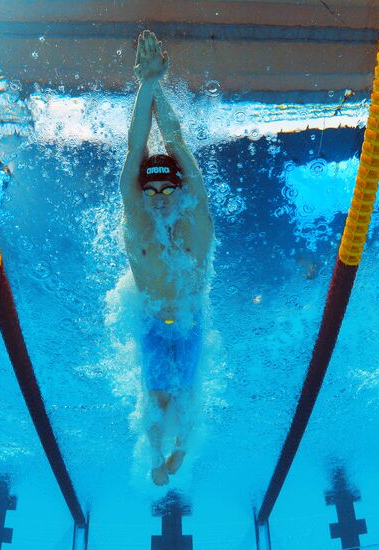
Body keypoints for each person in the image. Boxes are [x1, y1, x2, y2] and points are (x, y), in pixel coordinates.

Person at [119, 30, 214, 486]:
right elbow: (136, 151)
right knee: (158, 395)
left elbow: (176, 146)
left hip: (192, 321)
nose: (157, 198)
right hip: (155, 323)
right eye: (150, 189)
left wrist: (156, 85)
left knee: (188, 394)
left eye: (166, 189)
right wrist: (148, 85)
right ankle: (156, 453)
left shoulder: (196, 222)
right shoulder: (137, 223)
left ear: (178, 190)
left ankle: (178, 449)